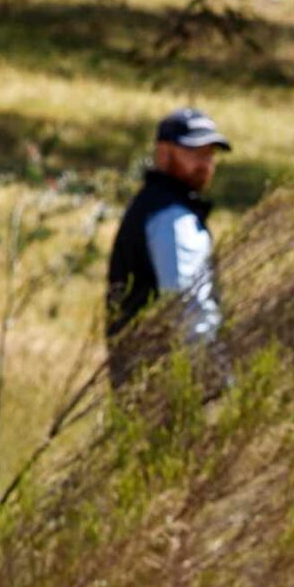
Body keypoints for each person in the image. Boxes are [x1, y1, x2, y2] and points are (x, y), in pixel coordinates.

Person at [105, 107, 229, 387]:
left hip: (142, 377)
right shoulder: (172, 218)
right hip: (170, 383)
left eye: (210, 155)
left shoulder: (154, 205)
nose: (205, 164)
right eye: (194, 153)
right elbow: (186, 302)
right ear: (163, 153)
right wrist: (217, 375)